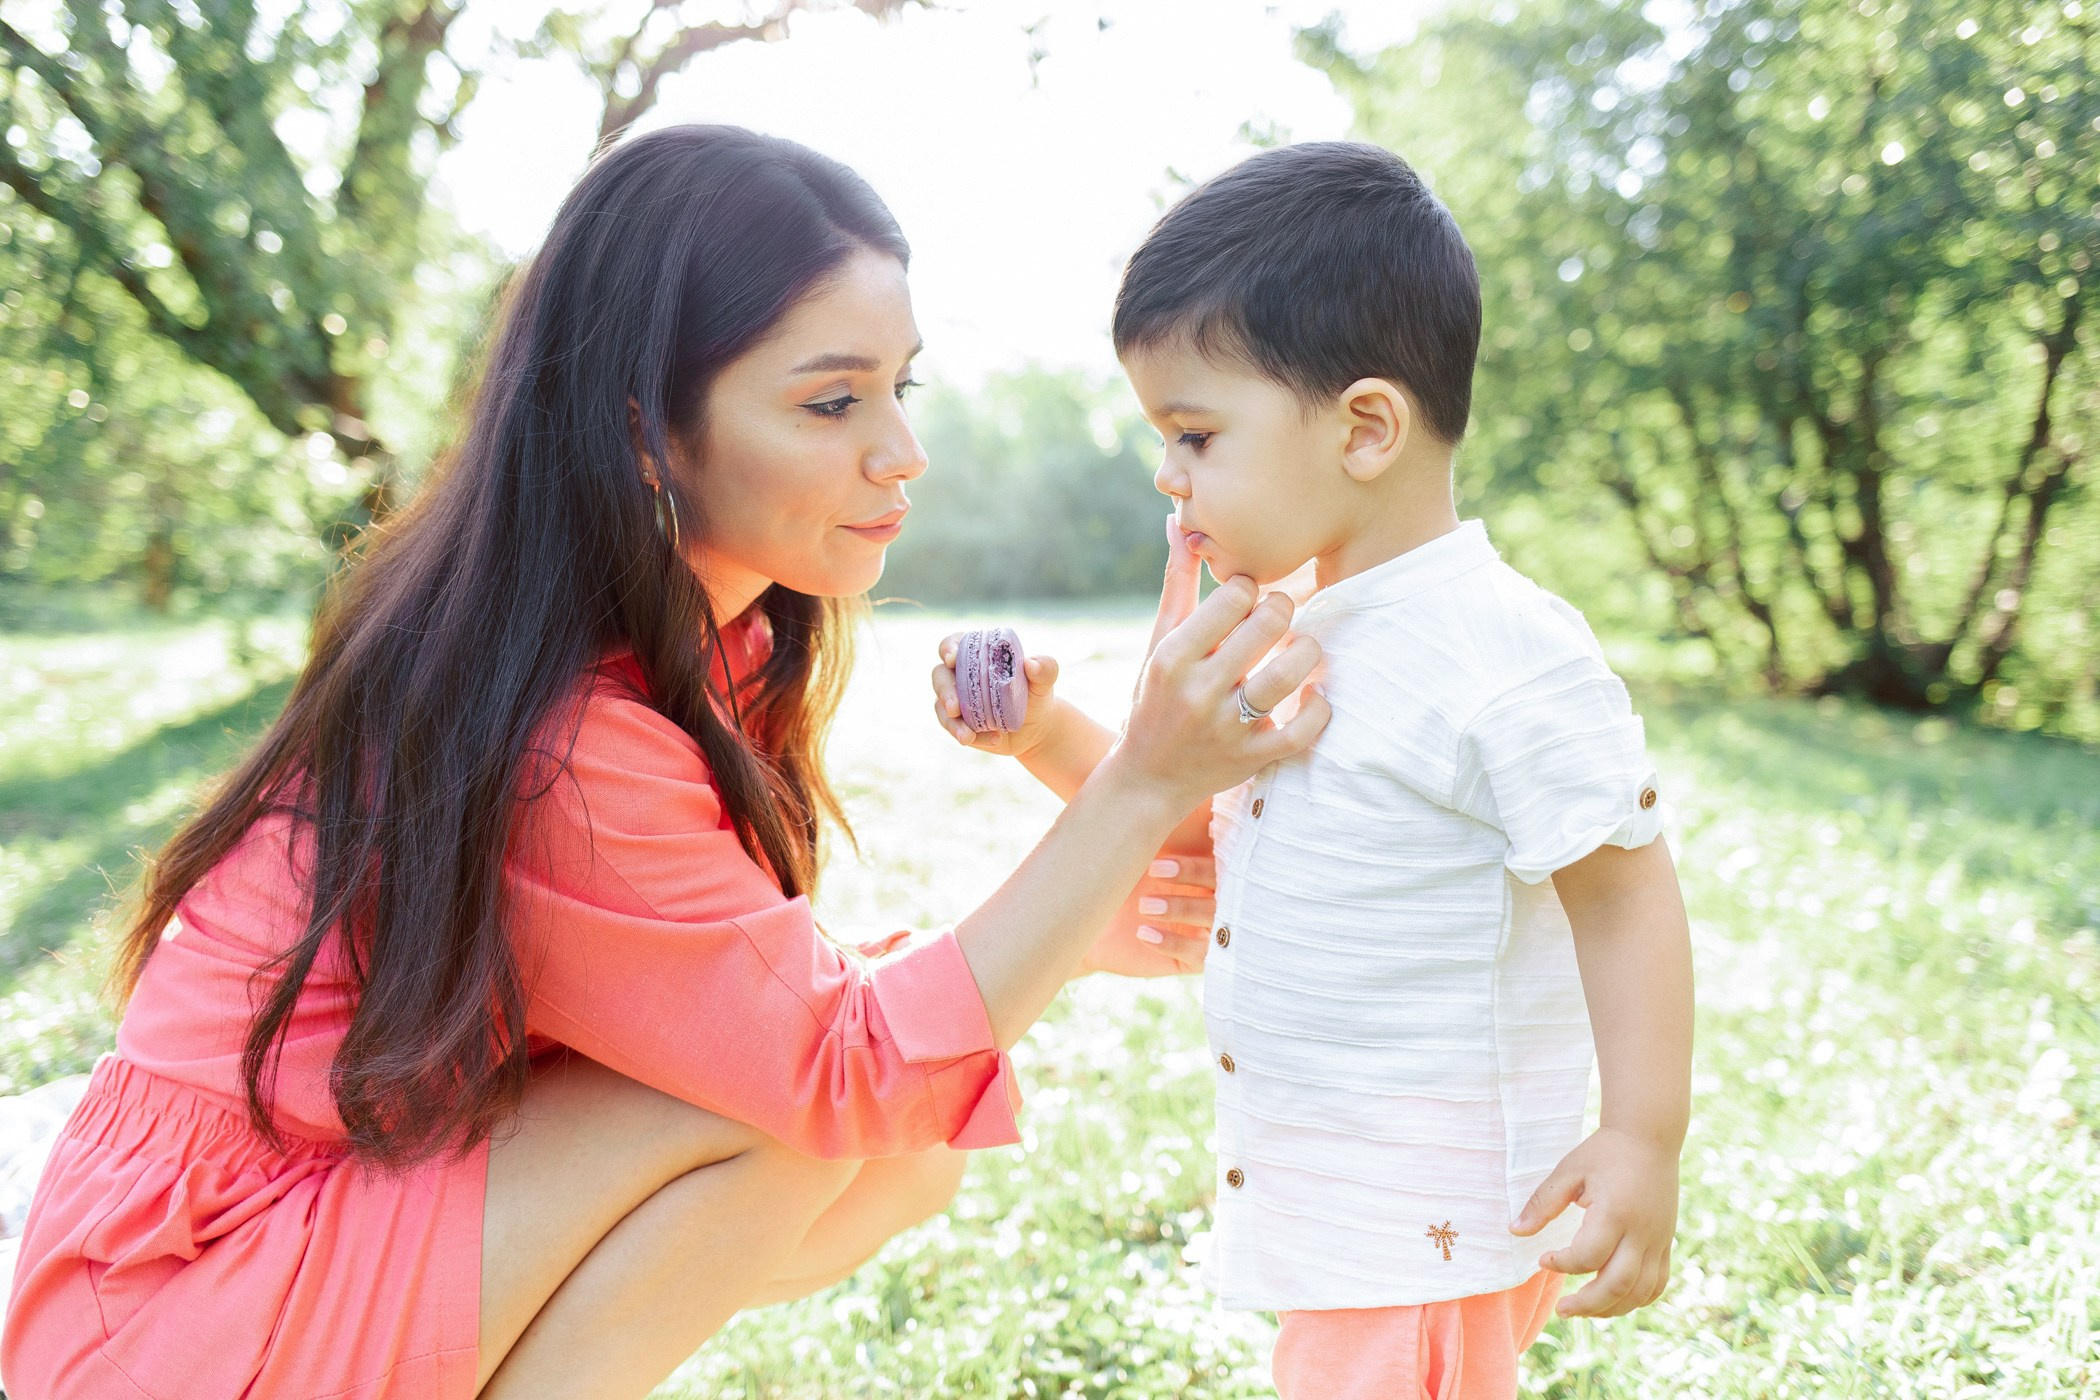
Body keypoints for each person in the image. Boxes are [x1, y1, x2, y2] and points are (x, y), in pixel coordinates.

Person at [0, 125, 1330, 1400]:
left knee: (896, 1156)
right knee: (806, 1122)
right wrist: (1140, 779)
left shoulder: (700, 644)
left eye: (899, 386)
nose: (902, 452)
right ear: (644, 430)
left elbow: (741, 993)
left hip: (298, 1211)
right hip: (178, 1301)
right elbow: (837, 1064)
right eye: (830, 401)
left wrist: (1070, 919)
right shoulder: (563, 737)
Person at [936, 141, 1695, 1400]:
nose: (1168, 478)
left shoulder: (1496, 648)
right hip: (1335, 1191)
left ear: (1365, 428)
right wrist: (1039, 737)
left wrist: (1642, 1135)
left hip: (1422, 1213)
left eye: (1194, 433)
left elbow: (1624, 893)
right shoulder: (1286, 621)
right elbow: (1182, 811)